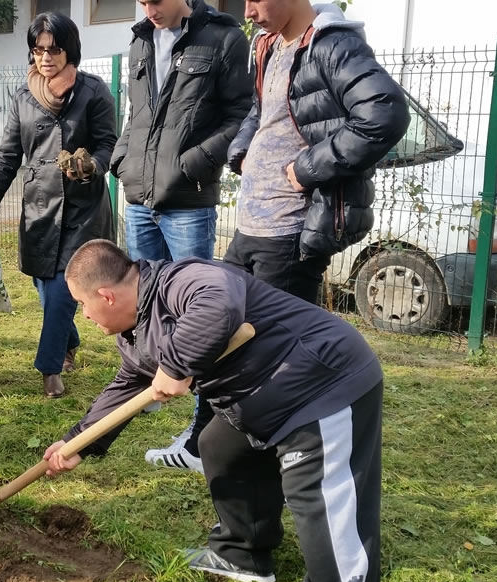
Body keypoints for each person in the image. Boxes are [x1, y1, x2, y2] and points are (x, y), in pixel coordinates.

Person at [45, 239, 384, 582]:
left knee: (322, 503)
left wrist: (178, 362)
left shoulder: (182, 281)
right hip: (265, 398)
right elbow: (126, 389)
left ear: (106, 295)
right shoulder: (135, 335)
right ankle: (244, 553)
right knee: (220, 446)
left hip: (321, 384)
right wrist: (77, 442)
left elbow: (220, 302)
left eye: (82, 305)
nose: (84, 316)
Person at [147, 0, 409, 476]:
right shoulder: (267, 44)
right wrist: (244, 149)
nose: (247, 11)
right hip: (250, 224)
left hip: (289, 234)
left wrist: (308, 168)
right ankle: (202, 442)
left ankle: (260, 460)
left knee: (269, 363)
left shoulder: (333, 45)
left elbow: (384, 115)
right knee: (217, 330)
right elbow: (258, 110)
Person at [109, 0, 251, 463]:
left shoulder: (224, 38)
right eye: (143, 0)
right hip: (139, 199)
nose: (149, 8)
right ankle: (148, 385)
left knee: (201, 312)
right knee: (141, 307)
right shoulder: (139, 40)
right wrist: (122, 159)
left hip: (187, 200)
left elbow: (241, 113)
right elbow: (138, 114)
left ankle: (200, 429)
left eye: (157, 0)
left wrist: (196, 162)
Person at [0, 13, 116, 399]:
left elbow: (109, 143)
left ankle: (50, 369)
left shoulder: (93, 91)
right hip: (40, 207)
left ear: (69, 50)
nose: (45, 57)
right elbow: (8, 156)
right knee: (45, 288)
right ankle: (68, 340)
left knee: (61, 290)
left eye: (54, 49)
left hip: (83, 209)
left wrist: (92, 164)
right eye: (38, 49)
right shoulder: (23, 96)